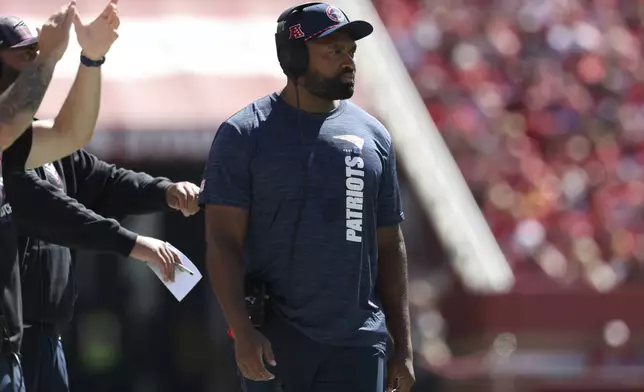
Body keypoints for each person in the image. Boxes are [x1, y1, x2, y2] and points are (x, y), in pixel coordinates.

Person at [200, 2, 415, 392]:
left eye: (350, 51)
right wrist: (242, 331)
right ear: (294, 56)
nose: (347, 60)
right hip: (277, 341)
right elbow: (222, 240)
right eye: (333, 50)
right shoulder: (243, 134)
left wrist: (404, 347)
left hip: (358, 343)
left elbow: (390, 244)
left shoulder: (374, 137)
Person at [0, 2, 121, 391]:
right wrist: (50, 56)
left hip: (15, 347)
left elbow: (72, 134)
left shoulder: (15, 138)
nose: (31, 62)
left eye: (33, 53)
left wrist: (92, 59)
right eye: (23, 56)